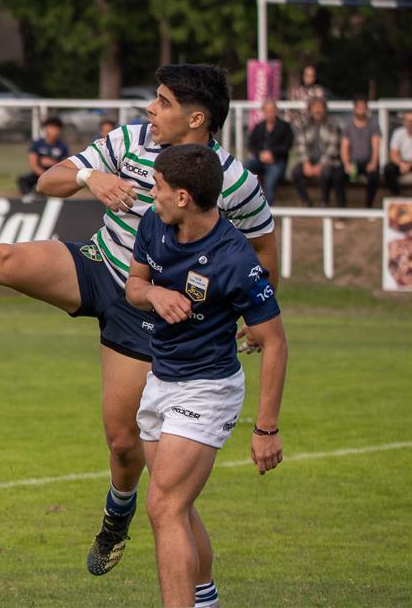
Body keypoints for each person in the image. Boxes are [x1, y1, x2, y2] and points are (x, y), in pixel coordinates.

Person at [0, 64, 276, 579]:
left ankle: (119, 515)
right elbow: (49, 182)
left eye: (162, 102)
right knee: (2, 258)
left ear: (196, 118)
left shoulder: (233, 181)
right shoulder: (132, 139)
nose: (150, 109)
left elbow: (262, 246)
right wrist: (89, 176)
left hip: (150, 309)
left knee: (124, 444)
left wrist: (253, 317)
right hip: (99, 265)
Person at [124, 144, 288, 608]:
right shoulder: (155, 223)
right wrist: (155, 294)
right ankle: (206, 598)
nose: (148, 195)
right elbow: (134, 286)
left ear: (181, 197)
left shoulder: (235, 259)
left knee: (164, 506)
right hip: (161, 379)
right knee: (175, 503)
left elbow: (274, 342)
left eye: (155, 187)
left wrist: (266, 428)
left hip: (208, 388)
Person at [288, 97, 343, 208]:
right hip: (309, 160)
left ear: (325, 109)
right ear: (310, 110)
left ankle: (324, 202)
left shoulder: (332, 125)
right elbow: (300, 145)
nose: (317, 110)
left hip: (328, 161)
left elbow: (333, 148)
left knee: (326, 173)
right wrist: (306, 163)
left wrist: (320, 165)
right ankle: (306, 202)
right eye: (314, 108)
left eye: (320, 108)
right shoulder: (304, 125)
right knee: (296, 172)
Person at [244, 100, 293, 203]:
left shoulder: (285, 126)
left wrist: (272, 154)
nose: (269, 113)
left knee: (270, 182)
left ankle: (267, 210)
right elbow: (251, 145)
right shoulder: (259, 127)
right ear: (263, 112)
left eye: (272, 110)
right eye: (267, 111)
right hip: (259, 160)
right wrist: (260, 154)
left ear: (276, 111)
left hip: (277, 161)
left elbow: (287, 146)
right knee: (244, 170)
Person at [340, 97, 383, 208]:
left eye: (364, 107)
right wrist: (347, 164)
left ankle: (369, 207)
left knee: (374, 176)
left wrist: (373, 162)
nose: (361, 110)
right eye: (359, 107)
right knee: (337, 176)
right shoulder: (348, 125)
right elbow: (344, 147)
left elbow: (376, 145)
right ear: (354, 109)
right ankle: (341, 210)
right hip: (352, 162)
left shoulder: (373, 124)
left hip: (368, 161)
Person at [17, 117, 68, 197]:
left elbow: (66, 165)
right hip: (39, 173)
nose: (53, 130)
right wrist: (44, 175)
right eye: (50, 127)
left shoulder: (62, 146)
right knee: (23, 180)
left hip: (55, 174)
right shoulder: (37, 144)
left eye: (55, 128)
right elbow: (33, 164)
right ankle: (28, 197)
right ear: (46, 128)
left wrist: (52, 163)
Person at [384, 109, 412, 196]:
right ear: (404, 121)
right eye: (408, 120)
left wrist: (410, 165)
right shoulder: (398, 133)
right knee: (388, 169)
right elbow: (393, 155)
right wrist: (402, 164)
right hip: (401, 163)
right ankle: (396, 196)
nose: (411, 123)